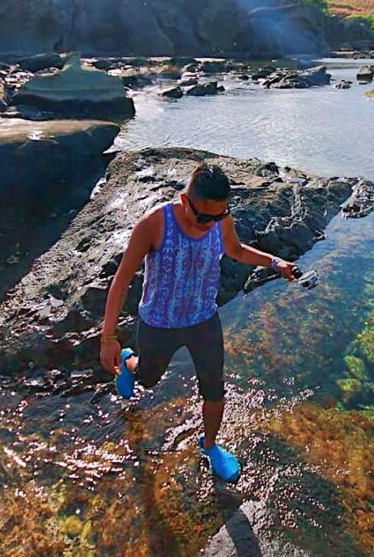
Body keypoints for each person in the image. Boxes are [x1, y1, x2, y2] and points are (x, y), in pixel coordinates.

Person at [98, 162, 298, 482]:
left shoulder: (219, 219)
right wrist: (108, 339)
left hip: (203, 318)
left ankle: (210, 445)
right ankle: (130, 362)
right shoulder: (154, 224)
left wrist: (275, 262)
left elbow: (235, 250)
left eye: (218, 216)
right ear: (183, 201)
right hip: (159, 322)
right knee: (148, 379)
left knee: (214, 388)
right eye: (203, 217)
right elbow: (121, 280)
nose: (210, 225)